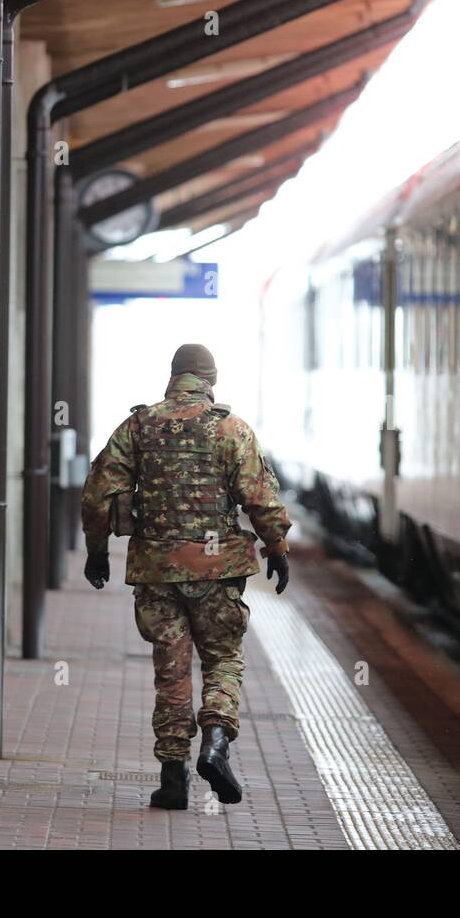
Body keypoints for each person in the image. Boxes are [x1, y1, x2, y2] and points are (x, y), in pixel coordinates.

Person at [80, 343, 291, 810]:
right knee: (223, 659)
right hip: (217, 572)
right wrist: (276, 546)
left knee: (170, 671)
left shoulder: (138, 425)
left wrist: (98, 551)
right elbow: (259, 497)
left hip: (156, 571)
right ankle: (216, 741)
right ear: (210, 379)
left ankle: (172, 778)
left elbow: (99, 492)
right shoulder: (229, 429)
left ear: (173, 376)